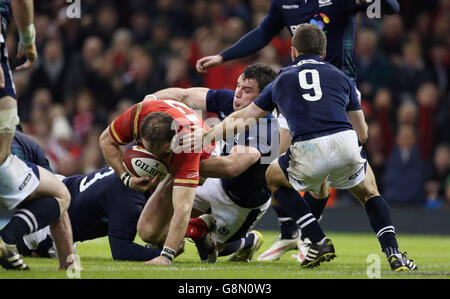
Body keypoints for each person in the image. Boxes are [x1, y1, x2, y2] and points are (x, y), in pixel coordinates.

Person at [184, 24, 418, 272]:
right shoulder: (342, 78)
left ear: (293, 51)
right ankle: (394, 255)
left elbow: (244, 117)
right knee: (370, 193)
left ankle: (316, 239)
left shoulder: (282, 78)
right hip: (345, 141)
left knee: (272, 177)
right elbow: (363, 133)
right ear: (324, 53)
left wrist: (207, 134)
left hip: (308, 147)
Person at [147, 63, 279, 262]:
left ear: (263, 97)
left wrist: (176, 165)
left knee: (218, 249)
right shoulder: (229, 101)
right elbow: (184, 96)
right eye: (238, 86)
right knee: (158, 229)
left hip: (241, 201)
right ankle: (194, 230)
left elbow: (232, 167)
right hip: (215, 180)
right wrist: (151, 101)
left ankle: (248, 241)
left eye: (247, 90)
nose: (238, 94)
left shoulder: (268, 128)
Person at [99, 98, 215, 266]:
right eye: (148, 151)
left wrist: (166, 256)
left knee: (150, 230)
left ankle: (199, 230)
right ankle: (195, 229)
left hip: (206, 148)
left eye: (160, 154)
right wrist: (126, 178)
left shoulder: (187, 144)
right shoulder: (137, 115)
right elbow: (106, 140)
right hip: (179, 126)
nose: (155, 157)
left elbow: (183, 208)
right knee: (150, 230)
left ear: (171, 144)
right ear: (140, 133)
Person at [16, 166, 171, 262]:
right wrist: (166, 253)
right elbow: (122, 250)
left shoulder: (123, 168)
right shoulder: (128, 197)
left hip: (57, 184)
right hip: (49, 225)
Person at [0, 131, 75, 270]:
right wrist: (68, 263)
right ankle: (7, 238)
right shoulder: (26, 143)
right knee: (60, 195)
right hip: (5, 168)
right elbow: (55, 195)